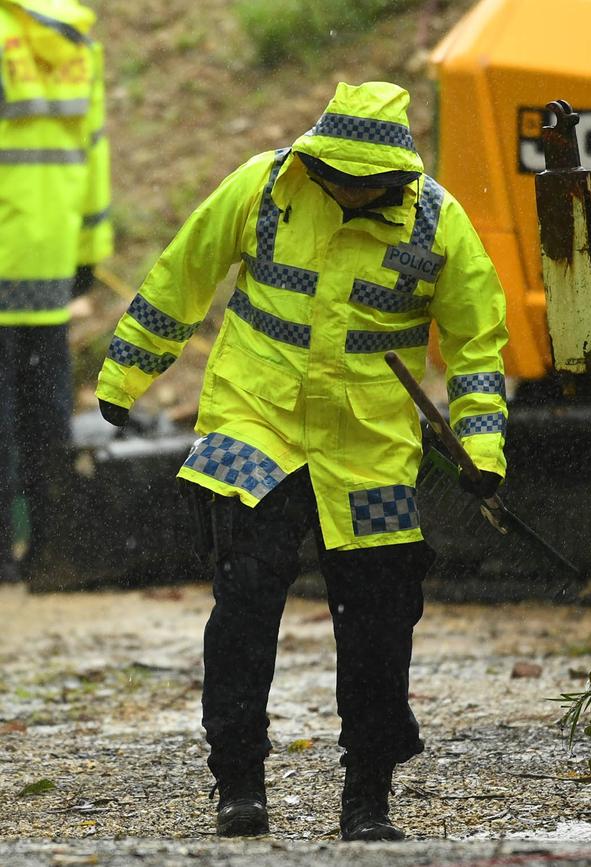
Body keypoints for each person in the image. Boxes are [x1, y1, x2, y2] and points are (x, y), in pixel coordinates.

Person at [96, 81, 508, 840]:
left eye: (365, 181)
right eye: (336, 174)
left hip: (369, 450)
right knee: (245, 598)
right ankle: (239, 784)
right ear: (316, 160)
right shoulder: (263, 187)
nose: (348, 188)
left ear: (396, 175)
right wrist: (126, 375)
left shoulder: (440, 226)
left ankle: (368, 798)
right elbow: (182, 275)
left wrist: (482, 450)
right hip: (257, 424)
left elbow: (478, 350)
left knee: (380, 617)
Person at [0, 0, 113, 586]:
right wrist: (89, 250)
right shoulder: (76, 39)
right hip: (50, 256)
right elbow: (92, 150)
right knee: (44, 412)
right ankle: (51, 551)